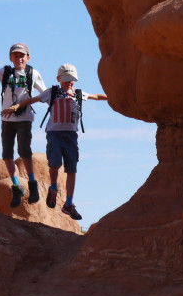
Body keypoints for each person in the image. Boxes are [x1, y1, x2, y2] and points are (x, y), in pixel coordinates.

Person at [6, 63, 107, 221]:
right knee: (54, 164)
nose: (70, 82)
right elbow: (33, 99)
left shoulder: (78, 94)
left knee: (72, 170)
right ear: (59, 79)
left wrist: (113, 97)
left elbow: (96, 96)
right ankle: (53, 187)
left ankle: (69, 204)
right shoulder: (52, 93)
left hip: (71, 137)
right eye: (67, 80)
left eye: (72, 80)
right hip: (54, 134)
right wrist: (16, 106)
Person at [0, 43, 47, 208]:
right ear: (11, 58)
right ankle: (16, 186)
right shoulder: (6, 72)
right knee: (7, 155)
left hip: (25, 117)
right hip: (7, 119)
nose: (19, 58)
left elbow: (45, 94)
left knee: (24, 151)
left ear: (28, 58)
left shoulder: (33, 73)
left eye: (22, 55)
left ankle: (32, 185)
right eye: (16, 55)